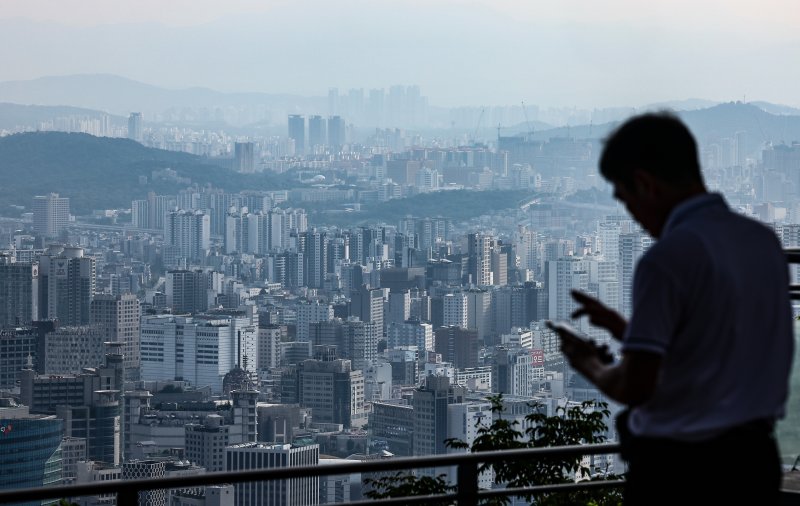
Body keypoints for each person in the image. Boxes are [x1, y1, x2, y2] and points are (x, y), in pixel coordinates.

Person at [553, 112, 795, 505]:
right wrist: (622, 327)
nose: (631, 213)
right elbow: (715, 347)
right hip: (755, 463)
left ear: (645, 184)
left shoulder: (667, 258)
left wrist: (589, 366)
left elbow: (636, 386)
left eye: (627, 198)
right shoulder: (763, 242)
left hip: (681, 472)